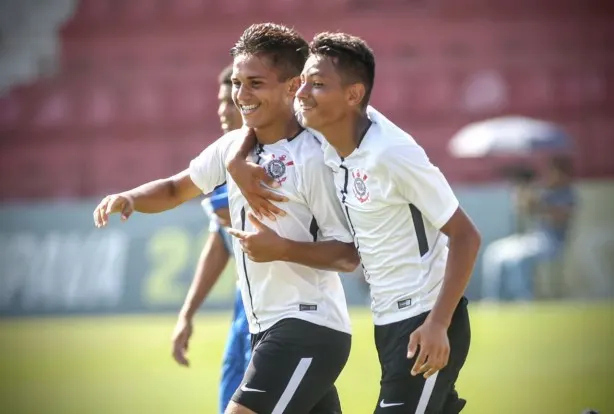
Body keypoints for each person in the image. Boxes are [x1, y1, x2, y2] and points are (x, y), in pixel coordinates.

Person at [93, 23, 359, 414]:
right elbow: (173, 189)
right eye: (237, 82)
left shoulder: (315, 156)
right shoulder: (232, 147)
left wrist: (281, 248)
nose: (241, 95)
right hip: (263, 330)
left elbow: (349, 255)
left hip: (307, 328)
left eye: (255, 83)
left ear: (292, 86)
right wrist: (129, 197)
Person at [227, 32, 482, 413]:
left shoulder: (392, 154)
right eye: (304, 83)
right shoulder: (327, 128)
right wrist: (236, 161)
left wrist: (439, 324)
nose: (303, 94)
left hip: (424, 319)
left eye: (318, 85)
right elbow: (261, 115)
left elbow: (465, 236)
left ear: (353, 95)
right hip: (387, 320)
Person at [170, 64, 249, 414]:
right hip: (243, 307)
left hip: (284, 309)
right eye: (221, 101)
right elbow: (221, 243)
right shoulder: (221, 162)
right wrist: (187, 313)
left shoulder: (276, 158)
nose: (224, 109)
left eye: (230, 101)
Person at [481, 155, 576, 301]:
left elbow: (559, 216)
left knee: (518, 259)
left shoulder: (567, 194)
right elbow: (524, 210)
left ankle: (524, 299)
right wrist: (522, 193)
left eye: (553, 172)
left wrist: (539, 204)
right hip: (533, 240)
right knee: (494, 252)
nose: (549, 176)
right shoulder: (545, 193)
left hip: (552, 244)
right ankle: (494, 301)